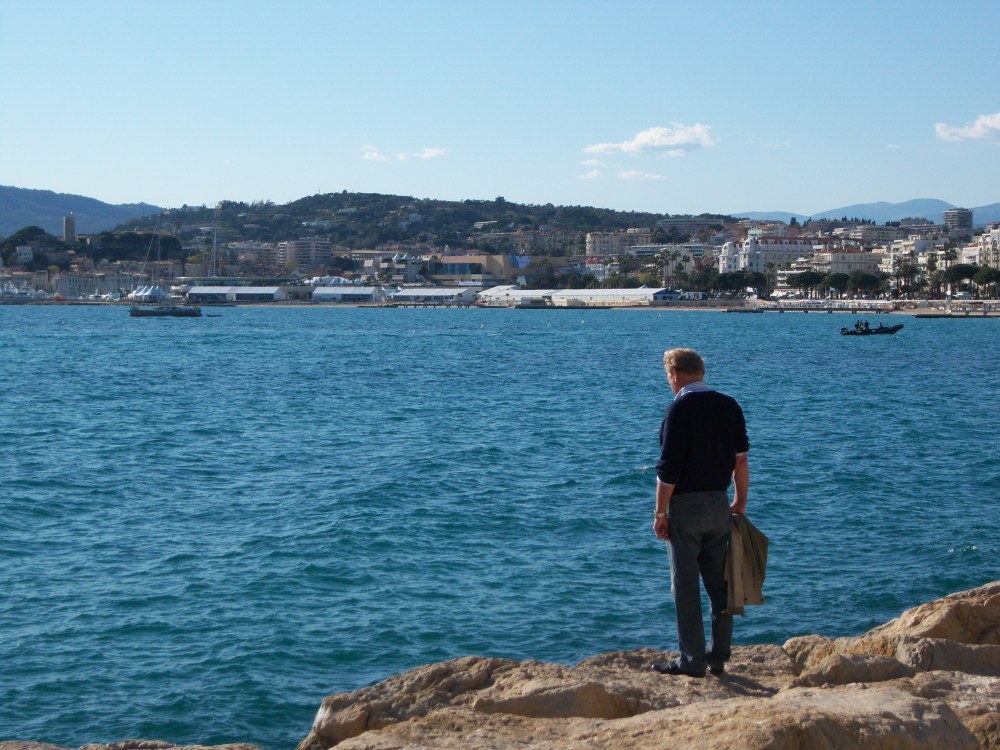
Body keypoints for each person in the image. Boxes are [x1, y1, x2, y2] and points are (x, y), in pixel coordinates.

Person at [652, 348, 749, 678]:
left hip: (686, 509)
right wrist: (740, 501)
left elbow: (668, 472)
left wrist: (660, 513)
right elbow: (740, 459)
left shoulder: (678, 410)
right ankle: (718, 656)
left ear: (675, 374)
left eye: (669, 377)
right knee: (719, 585)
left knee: (685, 586)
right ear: (701, 372)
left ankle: (691, 660)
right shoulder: (729, 405)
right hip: (719, 504)